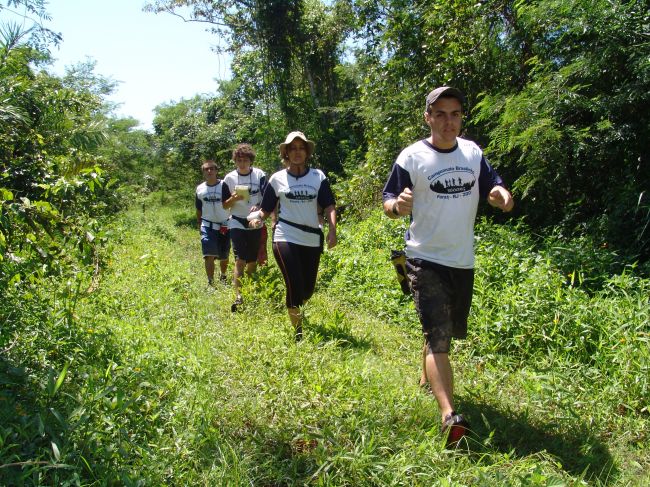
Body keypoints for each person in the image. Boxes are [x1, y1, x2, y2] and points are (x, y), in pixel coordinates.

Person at [382, 87, 514, 447]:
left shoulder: (472, 152)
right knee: (439, 337)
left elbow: (492, 185)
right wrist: (398, 206)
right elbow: (389, 199)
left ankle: (428, 374)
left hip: (462, 260)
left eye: (454, 114)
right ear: (427, 117)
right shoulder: (412, 157)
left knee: (443, 332)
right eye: (439, 114)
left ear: (461, 118)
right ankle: (449, 416)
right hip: (424, 257)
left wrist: (499, 195)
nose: (447, 121)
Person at [246, 131, 337, 341]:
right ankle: (298, 334)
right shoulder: (277, 179)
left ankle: (297, 306)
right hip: (285, 235)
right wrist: (257, 218)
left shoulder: (318, 177)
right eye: (292, 148)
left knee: (307, 290)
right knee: (294, 284)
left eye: (301, 148)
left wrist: (332, 231)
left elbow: (329, 205)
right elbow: (266, 208)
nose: (297, 152)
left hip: (312, 238)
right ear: (286, 152)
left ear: (307, 152)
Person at [222, 143, 267, 311]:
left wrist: (260, 207)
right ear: (235, 161)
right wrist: (233, 199)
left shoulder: (259, 175)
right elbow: (225, 205)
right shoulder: (229, 178)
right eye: (239, 160)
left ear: (250, 160)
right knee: (240, 259)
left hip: (254, 220)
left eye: (245, 160)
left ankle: (249, 287)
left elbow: (268, 197)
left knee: (252, 261)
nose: (242, 164)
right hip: (236, 220)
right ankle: (239, 296)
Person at [195, 159, 231, 286]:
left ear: (216, 171)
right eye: (206, 169)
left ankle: (223, 275)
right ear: (203, 172)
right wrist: (199, 223)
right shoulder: (200, 189)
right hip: (207, 225)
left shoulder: (224, 185)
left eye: (212, 169)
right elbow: (199, 208)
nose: (209, 171)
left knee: (224, 255)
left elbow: (230, 202)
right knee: (208, 254)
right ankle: (210, 282)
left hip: (224, 225)